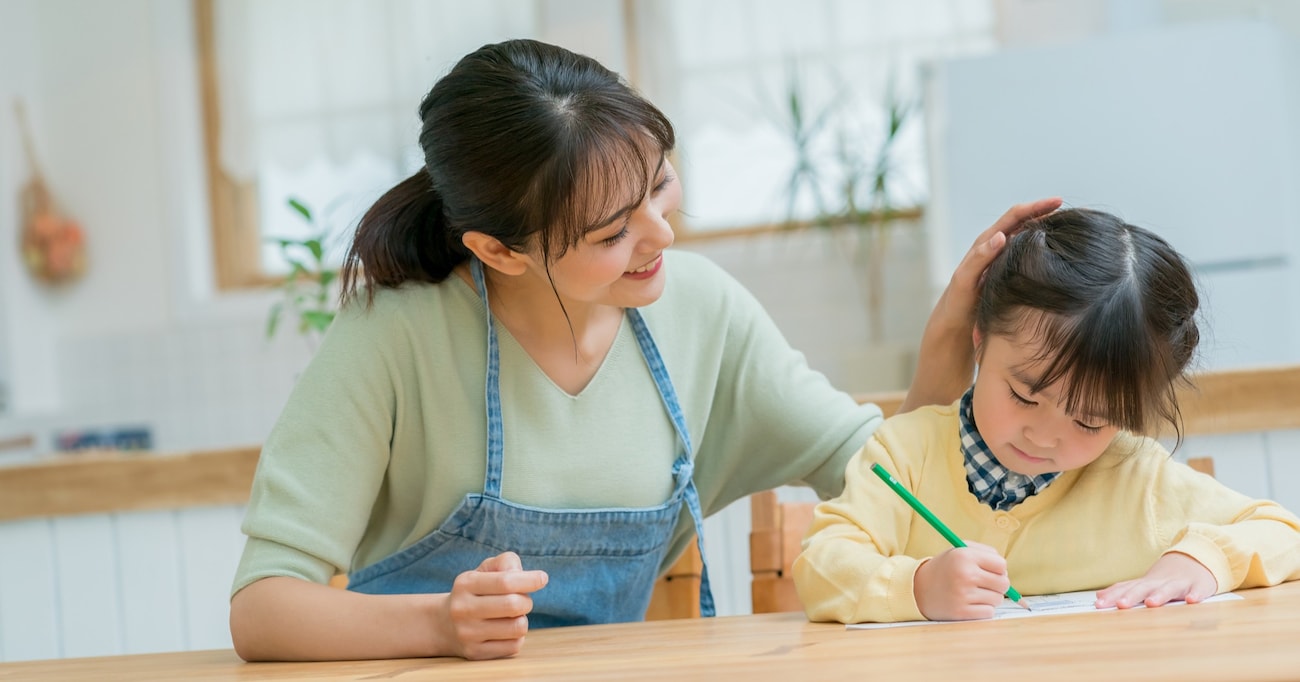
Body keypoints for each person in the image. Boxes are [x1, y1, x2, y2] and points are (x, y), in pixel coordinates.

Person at [228, 37, 1059, 661]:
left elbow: (887, 481)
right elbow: (263, 608)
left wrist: (951, 338)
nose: (661, 234)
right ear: (498, 251)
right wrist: (441, 624)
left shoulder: (698, 310)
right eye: (611, 231)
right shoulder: (395, 335)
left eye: (659, 184)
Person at [793, 208, 1300, 624]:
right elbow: (820, 568)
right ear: (979, 341)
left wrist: (1201, 560)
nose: (1044, 435)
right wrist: (918, 586)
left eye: (1089, 422)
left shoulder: (1134, 475)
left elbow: (1284, 533)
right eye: (1023, 395)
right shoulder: (903, 453)